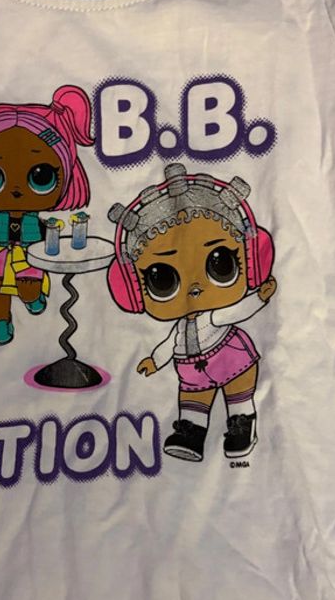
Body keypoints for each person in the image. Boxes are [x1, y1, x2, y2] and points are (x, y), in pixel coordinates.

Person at [108, 162, 277, 461]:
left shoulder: (215, 316)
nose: (195, 289)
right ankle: (190, 434)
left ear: (251, 261)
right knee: (192, 403)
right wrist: (155, 360)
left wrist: (260, 298)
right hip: (191, 368)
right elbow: (169, 344)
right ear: (132, 291)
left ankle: (242, 426)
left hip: (231, 357)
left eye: (221, 262)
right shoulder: (180, 329)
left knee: (238, 397)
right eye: (162, 279)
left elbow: (236, 312)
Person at [0, 83, 93, 345]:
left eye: (41, 177)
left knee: (27, 284)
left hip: (30, 252)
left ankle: (32, 297)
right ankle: (0, 320)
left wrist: (56, 238)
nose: (17, 191)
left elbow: (47, 233)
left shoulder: (35, 222)